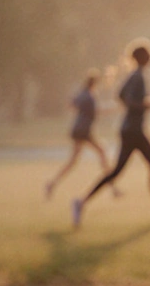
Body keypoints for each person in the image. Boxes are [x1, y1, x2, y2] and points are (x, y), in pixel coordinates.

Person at [71, 38, 150, 228]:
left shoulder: (136, 74)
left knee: (129, 169)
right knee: (147, 166)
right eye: (149, 54)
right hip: (133, 130)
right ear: (143, 57)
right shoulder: (138, 76)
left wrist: (146, 103)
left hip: (132, 129)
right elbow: (133, 102)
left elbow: (122, 96)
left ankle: (81, 202)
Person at [44, 69, 113, 200]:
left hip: (78, 130)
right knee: (102, 152)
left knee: (74, 161)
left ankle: (52, 183)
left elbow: (71, 104)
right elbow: (97, 111)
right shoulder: (90, 96)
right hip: (83, 131)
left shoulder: (82, 94)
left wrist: (82, 113)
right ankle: (111, 185)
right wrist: (114, 108)